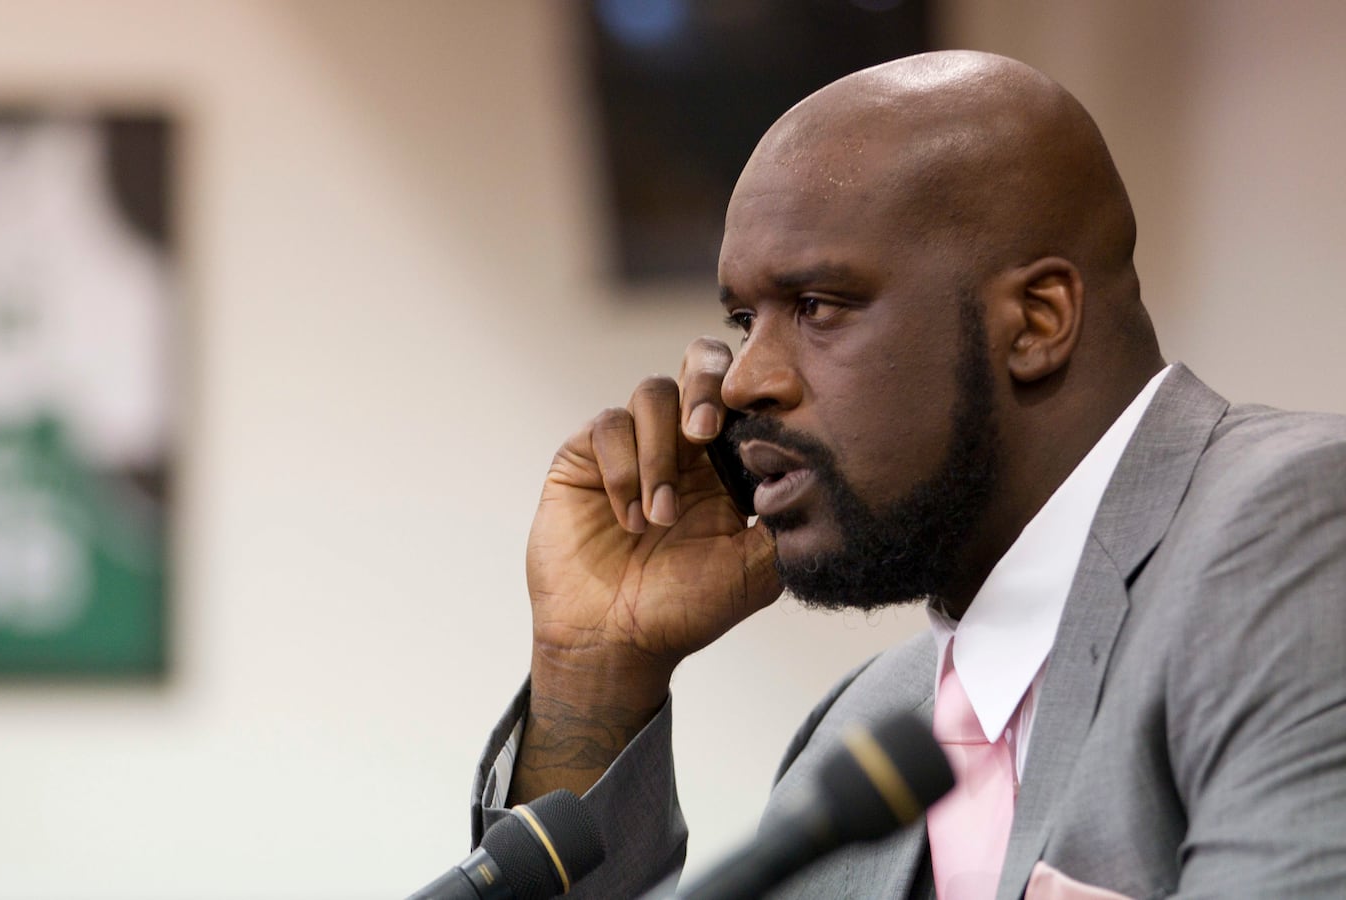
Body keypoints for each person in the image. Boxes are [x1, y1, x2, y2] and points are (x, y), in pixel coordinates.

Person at [468, 50, 1346, 899]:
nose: (742, 379)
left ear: (1036, 321)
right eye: (744, 317)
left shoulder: (1300, 538)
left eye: (816, 306)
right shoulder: (862, 735)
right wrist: (596, 674)